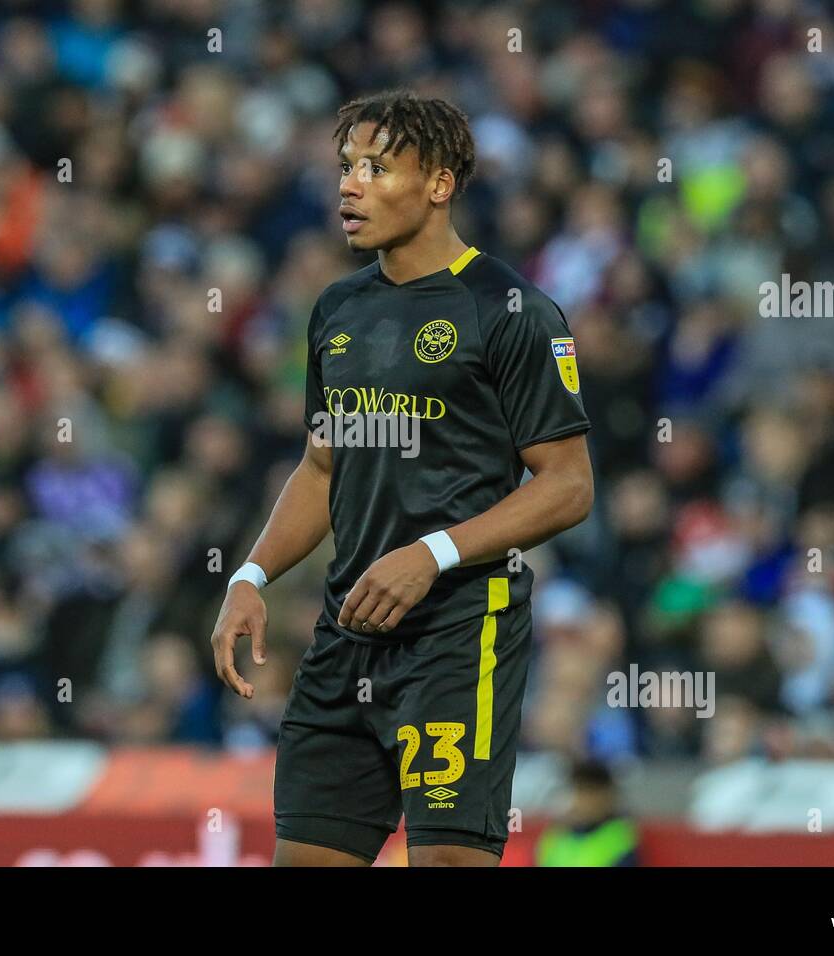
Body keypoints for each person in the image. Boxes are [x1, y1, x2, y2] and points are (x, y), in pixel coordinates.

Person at [208, 90, 594, 867]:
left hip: (460, 632)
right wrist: (250, 573)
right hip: (347, 630)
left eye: (378, 168)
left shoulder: (511, 310)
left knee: (448, 861)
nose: (350, 185)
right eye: (346, 167)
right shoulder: (338, 310)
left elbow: (567, 486)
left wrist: (433, 555)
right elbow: (323, 463)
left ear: (440, 183)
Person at [536, 759, 640, 867]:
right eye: (579, 790)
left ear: (608, 796)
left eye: (590, 792)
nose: (582, 800)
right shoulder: (555, 835)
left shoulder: (620, 837)